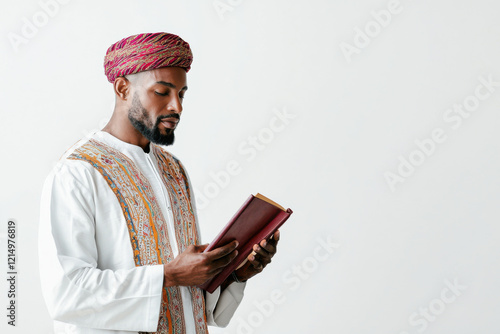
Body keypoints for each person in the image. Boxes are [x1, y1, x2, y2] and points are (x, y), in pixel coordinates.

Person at [38, 32, 280, 334]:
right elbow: (67, 294)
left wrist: (234, 274)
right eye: (162, 92)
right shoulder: (78, 172)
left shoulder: (173, 170)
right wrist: (167, 276)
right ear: (123, 88)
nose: (177, 106)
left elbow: (187, 303)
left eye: (182, 94)